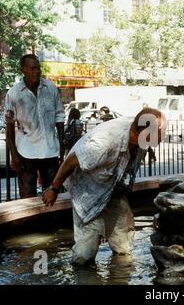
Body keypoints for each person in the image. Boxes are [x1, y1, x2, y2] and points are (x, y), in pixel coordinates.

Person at [42, 107, 166, 265]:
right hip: (88, 191)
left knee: (124, 247)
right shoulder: (104, 143)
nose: (163, 135)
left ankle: (119, 276)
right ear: (145, 133)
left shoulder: (138, 133)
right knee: (84, 254)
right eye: (161, 131)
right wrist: (54, 188)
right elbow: (71, 160)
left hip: (113, 187)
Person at [4, 54, 65, 199]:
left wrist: (62, 142)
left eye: (38, 68)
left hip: (50, 150)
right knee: (27, 196)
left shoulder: (50, 88)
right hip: (26, 152)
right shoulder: (14, 94)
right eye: (32, 68)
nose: (36, 71)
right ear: (23, 70)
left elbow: (59, 115)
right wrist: (13, 154)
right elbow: (9, 125)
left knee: (54, 193)